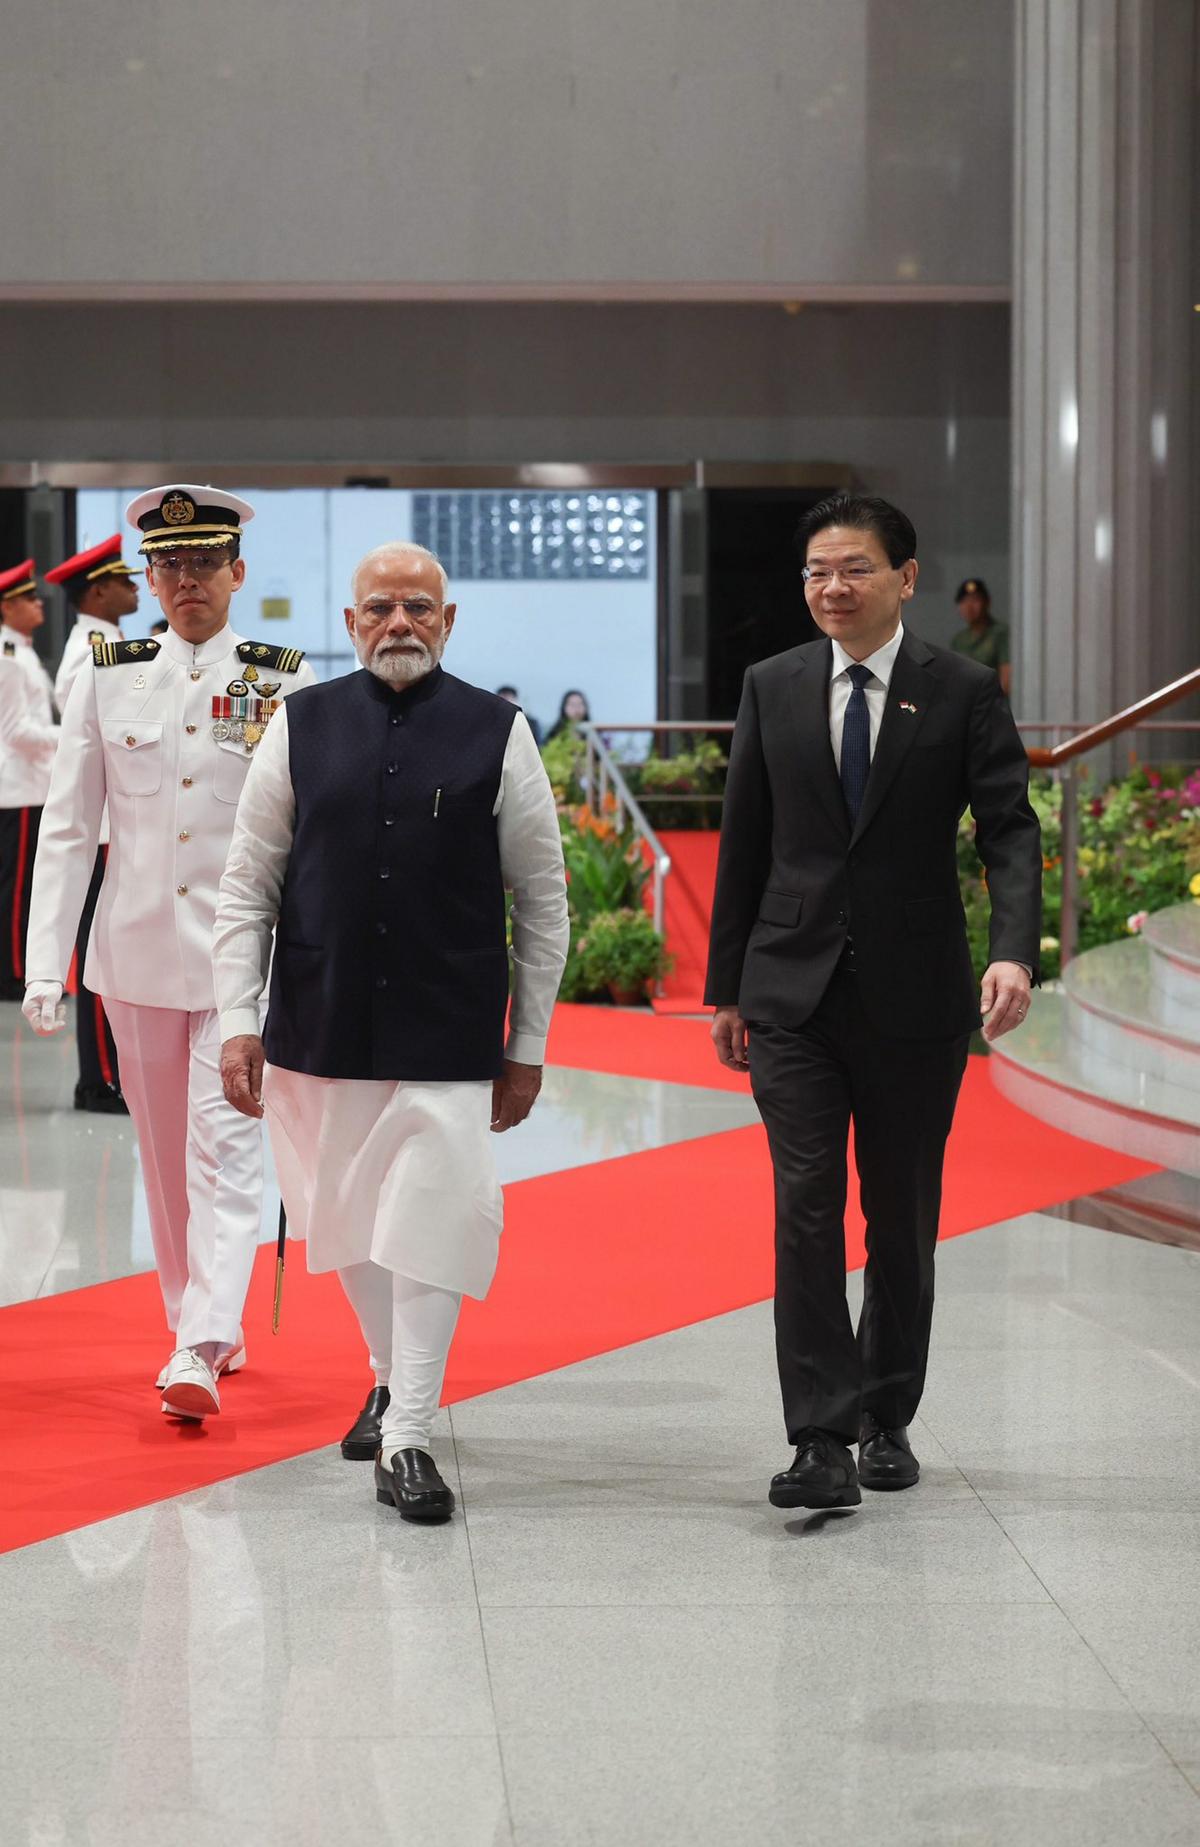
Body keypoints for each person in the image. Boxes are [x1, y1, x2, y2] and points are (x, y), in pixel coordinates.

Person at [214, 541, 569, 1522]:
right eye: (380, 607)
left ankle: (409, 1433)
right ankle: (384, 1372)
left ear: (448, 622)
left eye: (420, 606)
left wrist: (527, 1042)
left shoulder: (499, 732)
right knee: (348, 1221)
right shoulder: (297, 723)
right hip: (319, 1021)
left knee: (430, 1222)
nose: (399, 622)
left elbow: (543, 897)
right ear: (350, 622)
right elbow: (248, 880)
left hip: (448, 1030)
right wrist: (237, 1017)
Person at [705, 496, 1040, 1513]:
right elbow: (746, 839)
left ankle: (888, 1410)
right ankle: (819, 1434)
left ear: (905, 575)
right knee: (804, 1206)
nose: (831, 588)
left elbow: (1009, 830)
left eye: (853, 569)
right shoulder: (772, 684)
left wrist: (1015, 953)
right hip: (792, 991)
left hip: (915, 994)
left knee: (900, 1216)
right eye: (815, 572)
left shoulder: (962, 688)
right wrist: (726, 987)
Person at [22, 484, 317, 1422]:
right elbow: (69, 830)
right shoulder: (111, 672)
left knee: (228, 1146)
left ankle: (197, 1337)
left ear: (238, 572)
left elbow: (308, 835)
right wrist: (45, 963)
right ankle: (199, 1320)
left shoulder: (284, 679)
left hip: (244, 966)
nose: (187, 579)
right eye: (170, 563)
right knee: (162, 1156)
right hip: (136, 954)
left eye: (205, 562)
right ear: (149, 575)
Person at [44, 535, 142, 1112]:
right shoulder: (94, 651)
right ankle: (100, 1077)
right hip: (105, 824)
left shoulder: (108, 642)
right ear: (98, 590)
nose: (134, 589)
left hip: (116, 821)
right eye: (125, 581)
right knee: (102, 950)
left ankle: (106, 1073)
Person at [0, 561, 57, 1001]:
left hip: (27, 785)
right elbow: (16, 731)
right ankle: (12, 973)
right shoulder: (9, 658)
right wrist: (69, 737)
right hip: (17, 787)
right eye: (29, 599)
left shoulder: (21, 652)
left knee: (20, 886)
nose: (39, 604)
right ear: (7, 606)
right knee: (17, 889)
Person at [951, 577, 1011, 698]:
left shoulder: (1000, 633)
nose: (969, 606)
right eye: (964, 601)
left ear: (987, 603)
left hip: (993, 704)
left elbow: (1006, 680)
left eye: (975, 600)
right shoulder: (959, 640)